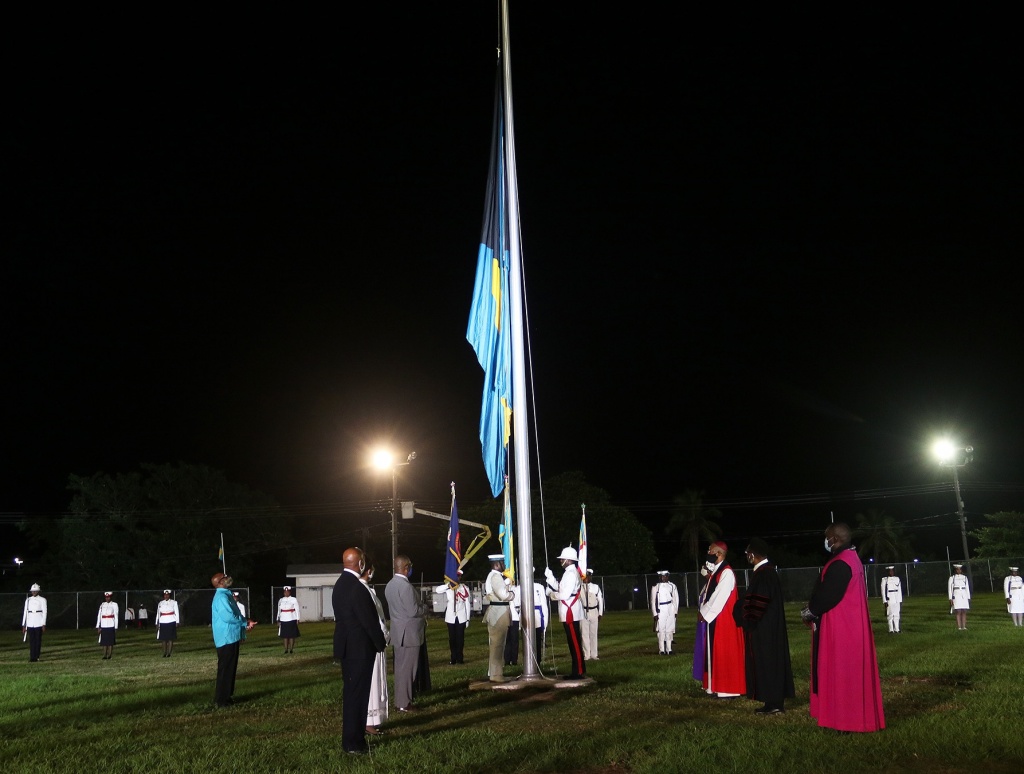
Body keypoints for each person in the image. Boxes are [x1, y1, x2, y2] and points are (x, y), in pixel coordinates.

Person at [802, 522, 885, 732]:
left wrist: (810, 611)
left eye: (827, 537)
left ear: (835, 539)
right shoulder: (851, 558)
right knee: (848, 674)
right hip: (850, 623)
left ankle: (846, 721)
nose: (825, 541)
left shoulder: (841, 562)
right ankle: (844, 718)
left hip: (841, 626)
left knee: (842, 674)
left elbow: (828, 595)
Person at [333, 547, 387, 756]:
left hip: (347, 647)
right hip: (359, 649)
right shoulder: (357, 588)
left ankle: (352, 739)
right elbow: (369, 622)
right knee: (358, 696)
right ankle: (354, 742)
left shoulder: (340, 584)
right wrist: (380, 643)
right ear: (360, 564)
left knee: (351, 695)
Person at [734, 538, 794, 714]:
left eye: (747, 554)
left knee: (769, 663)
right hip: (766, 626)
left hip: (765, 628)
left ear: (752, 554)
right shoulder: (765, 572)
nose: (747, 556)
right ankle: (771, 702)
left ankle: (775, 704)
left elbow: (758, 603)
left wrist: (747, 618)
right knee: (767, 663)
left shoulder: (764, 574)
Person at [698, 541, 746, 698]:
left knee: (725, 652)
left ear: (718, 554)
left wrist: (704, 612)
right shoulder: (718, 571)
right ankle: (713, 686)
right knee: (713, 652)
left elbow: (719, 597)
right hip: (716, 618)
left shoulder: (726, 572)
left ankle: (728, 689)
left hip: (725, 620)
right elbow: (708, 592)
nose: (708, 553)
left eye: (710, 551)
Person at [385, 554, 428, 710]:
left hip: (398, 632)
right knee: (408, 670)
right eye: (409, 566)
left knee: (401, 669)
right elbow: (413, 610)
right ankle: (404, 703)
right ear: (405, 568)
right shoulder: (406, 587)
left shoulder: (390, 585)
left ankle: (400, 700)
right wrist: (425, 608)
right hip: (409, 634)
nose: (411, 568)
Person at [211, 572, 255, 708]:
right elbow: (228, 617)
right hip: (226, 637)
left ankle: (227, 696)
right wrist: (244, 623)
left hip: (231, 636)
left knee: (230, 668)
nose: (227, 578)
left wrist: (245, 621)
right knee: (226, 669)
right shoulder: (221, 597)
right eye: (224, 577)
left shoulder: (225, 594)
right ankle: (222, 700)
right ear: (219, 582)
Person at [545, 546, 585, 680]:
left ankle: (578, 671)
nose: (560, 560)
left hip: (570, 611)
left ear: (568, 560)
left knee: (574, 642)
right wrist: (550, 578)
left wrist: (552, 595)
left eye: (562, 559)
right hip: (569, 610)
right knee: (573, 642)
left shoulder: (571, 573)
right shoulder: (569, 572)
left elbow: (565, 594)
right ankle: (578, 670)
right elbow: (560, 587)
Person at [359, 562, 389, 736]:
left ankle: (374, 720)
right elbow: (374, 619)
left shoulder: (368, 590)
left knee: (376, 681)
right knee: (372, 682)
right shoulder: (363, 591)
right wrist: (384, 634)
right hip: (372, 642)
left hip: (376, 640)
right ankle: (368, 721)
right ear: (368, 571)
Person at [484, 553, 514, 682]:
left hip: (497, 610)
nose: (505, 565)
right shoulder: (496, 577)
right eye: (502, 563)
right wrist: (511, 594)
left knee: (496, 643)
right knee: (498, 644)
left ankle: (494, 672)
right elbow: (503, 595)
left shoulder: (494, 576)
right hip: (499, 611)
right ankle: (496, 675)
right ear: (497, 564)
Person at [434, 572, 470, 664]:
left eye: (458, 576)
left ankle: (460, 658)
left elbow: (467, 604)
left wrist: (468, 618)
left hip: (461, 616)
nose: (457, 578)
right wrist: (448, 585)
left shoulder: (464, 588)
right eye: (455, 576)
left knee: (460, 639)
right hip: (450, 617)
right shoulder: (448, 587)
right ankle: (453, 658)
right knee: (452, 639)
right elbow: (438, 590)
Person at [652, 571, 679, 656]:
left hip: (670, 607)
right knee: (661, 630)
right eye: (662, 576)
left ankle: (669, 649)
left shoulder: (672, 586)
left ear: (668, 577)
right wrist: (655, 613)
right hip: (661, 608)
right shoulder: (656, 587)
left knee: (669, 629)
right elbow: (653, 601)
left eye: (665, 576)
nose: (663, 578)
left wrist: (675, 611)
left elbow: (675, 599)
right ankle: (661, 650)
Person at [581, 569, 604, 661]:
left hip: (594, 611)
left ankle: (594, 654)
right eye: (585, 576)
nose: (586, 578)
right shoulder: (580, 587)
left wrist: (600, 613)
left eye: (588, 576)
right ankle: (586, 654)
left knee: (593, 634)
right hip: (583, 612)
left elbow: (600, 601)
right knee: (584, 634)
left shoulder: (595, 587)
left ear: (591, 577)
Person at [22, 583, 47, 663]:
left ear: (38, 591)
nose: (34, 592)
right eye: (33, 591)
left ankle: (37, 656)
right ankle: (32, 657)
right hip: (30, 622)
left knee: (38, 640)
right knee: (31, 641)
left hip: (38, 622)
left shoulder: (43, 600)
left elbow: (45, 612)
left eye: (35, 591)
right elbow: (25, 612)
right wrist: (24, 624)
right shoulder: (28, 600)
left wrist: (43, 623)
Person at [156, 589, 180, 657]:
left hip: (171, 620)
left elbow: (177, 612)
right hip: (163, 621)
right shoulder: (160, 603)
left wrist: (177, 621)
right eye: (165, 595)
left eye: (167, 595)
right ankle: (164, 652)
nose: (166, 596)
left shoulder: (174, 602)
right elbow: (158, 613)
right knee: (163, 639)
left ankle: (169, 653)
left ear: (169, 595)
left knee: (170, 638)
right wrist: (157, 622)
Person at [277, 585, 301, 654]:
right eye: (285, 592)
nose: (286, 593)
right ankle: (285, 649)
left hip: (291, 618)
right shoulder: (281, 600)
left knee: (291, 635)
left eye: (287, 592)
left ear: (290, 592)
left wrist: (297, 618)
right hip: (283, 619)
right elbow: (279, 611)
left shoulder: (293, 599)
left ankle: (291, 649)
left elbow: (297, 609)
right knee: (285, 635)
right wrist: (278, 619)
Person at [96, 592, 119, 660]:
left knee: (110, 641)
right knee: (104, 641)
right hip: (103, 625)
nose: (107, 598)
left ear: (111, 597)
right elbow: (99, 616)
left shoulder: (114, 604)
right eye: (106, 597)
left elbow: (116, 616)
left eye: (108, 597)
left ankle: (109, 655)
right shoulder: (102, 605)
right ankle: (104, 655)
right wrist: (98, 626)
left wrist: (116, 627)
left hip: (111, 624)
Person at [948, 564, 971, 630]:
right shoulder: (952, 578)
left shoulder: (964, 577)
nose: (959, 570)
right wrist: (950, 598)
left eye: (960, 569)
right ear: (955, 570)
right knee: (958, 611)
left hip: (964, 594)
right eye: (957, 569)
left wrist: (968, 597)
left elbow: (967, 588)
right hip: (956, 594)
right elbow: (950, 589)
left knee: (964, 610)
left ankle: (964, 626)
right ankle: (959, 627)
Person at [881, 566, 903, 633]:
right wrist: (885, 601)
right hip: (889, 598)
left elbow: (899, 590)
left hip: (896, 598)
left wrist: (900, 600)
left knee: (897, 614)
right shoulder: (884, 579)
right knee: (890, 614)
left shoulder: (897, 579)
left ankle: (897, 629)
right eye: (890, 571)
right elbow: (883, 591)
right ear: (887, 572)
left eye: (892, 571)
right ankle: (891, 629)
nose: (891, 572)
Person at [504, 583, 521, 666]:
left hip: (515, 617)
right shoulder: (503, 588)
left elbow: (518, 602)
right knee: (507, 640)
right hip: (505, 617)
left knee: (514, 640)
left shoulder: (517, 589)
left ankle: (514, 660)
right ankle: (507, 660)